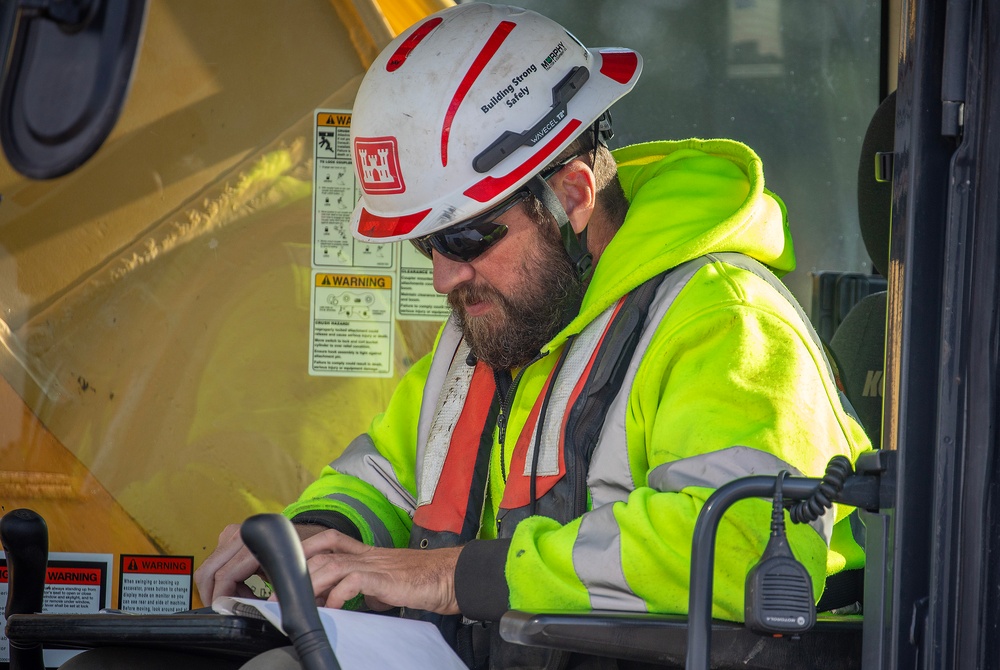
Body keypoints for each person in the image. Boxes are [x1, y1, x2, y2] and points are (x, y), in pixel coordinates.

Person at [64, 3, 871, 669]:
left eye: (465, 240)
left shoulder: (723, 319)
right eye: (426, 246)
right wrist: (318, 542)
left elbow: (744, 549)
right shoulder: (498, 326)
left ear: (574, 193)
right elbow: (385, 472)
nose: (445, 278)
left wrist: (453, 578)